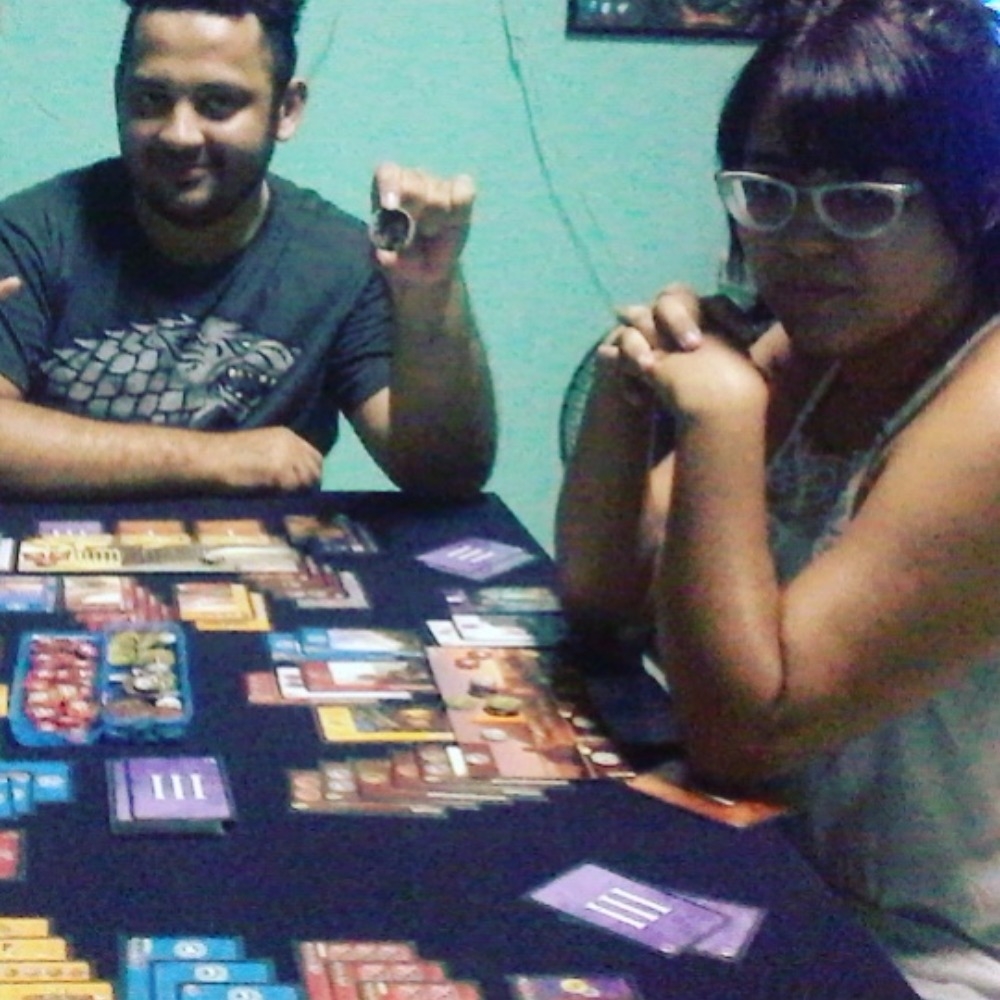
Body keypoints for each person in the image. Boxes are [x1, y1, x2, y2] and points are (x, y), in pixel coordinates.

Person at [556, 0, 1000, 995]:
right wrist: (627, 385)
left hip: (929, 948)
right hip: (767, 862)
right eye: (769, 193)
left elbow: (742, 732)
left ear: (980, 199)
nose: (801, 242)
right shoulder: (815, 349)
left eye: (861, 202)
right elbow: (600, 594)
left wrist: (719, 419)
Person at [0, 0, 496, 500]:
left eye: (218, 103)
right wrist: (217, 458)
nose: (179, 134)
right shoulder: (30, 235)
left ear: (287, 109)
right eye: (151, 99)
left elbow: (444, 475)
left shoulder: (340, 261)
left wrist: (433, 294)